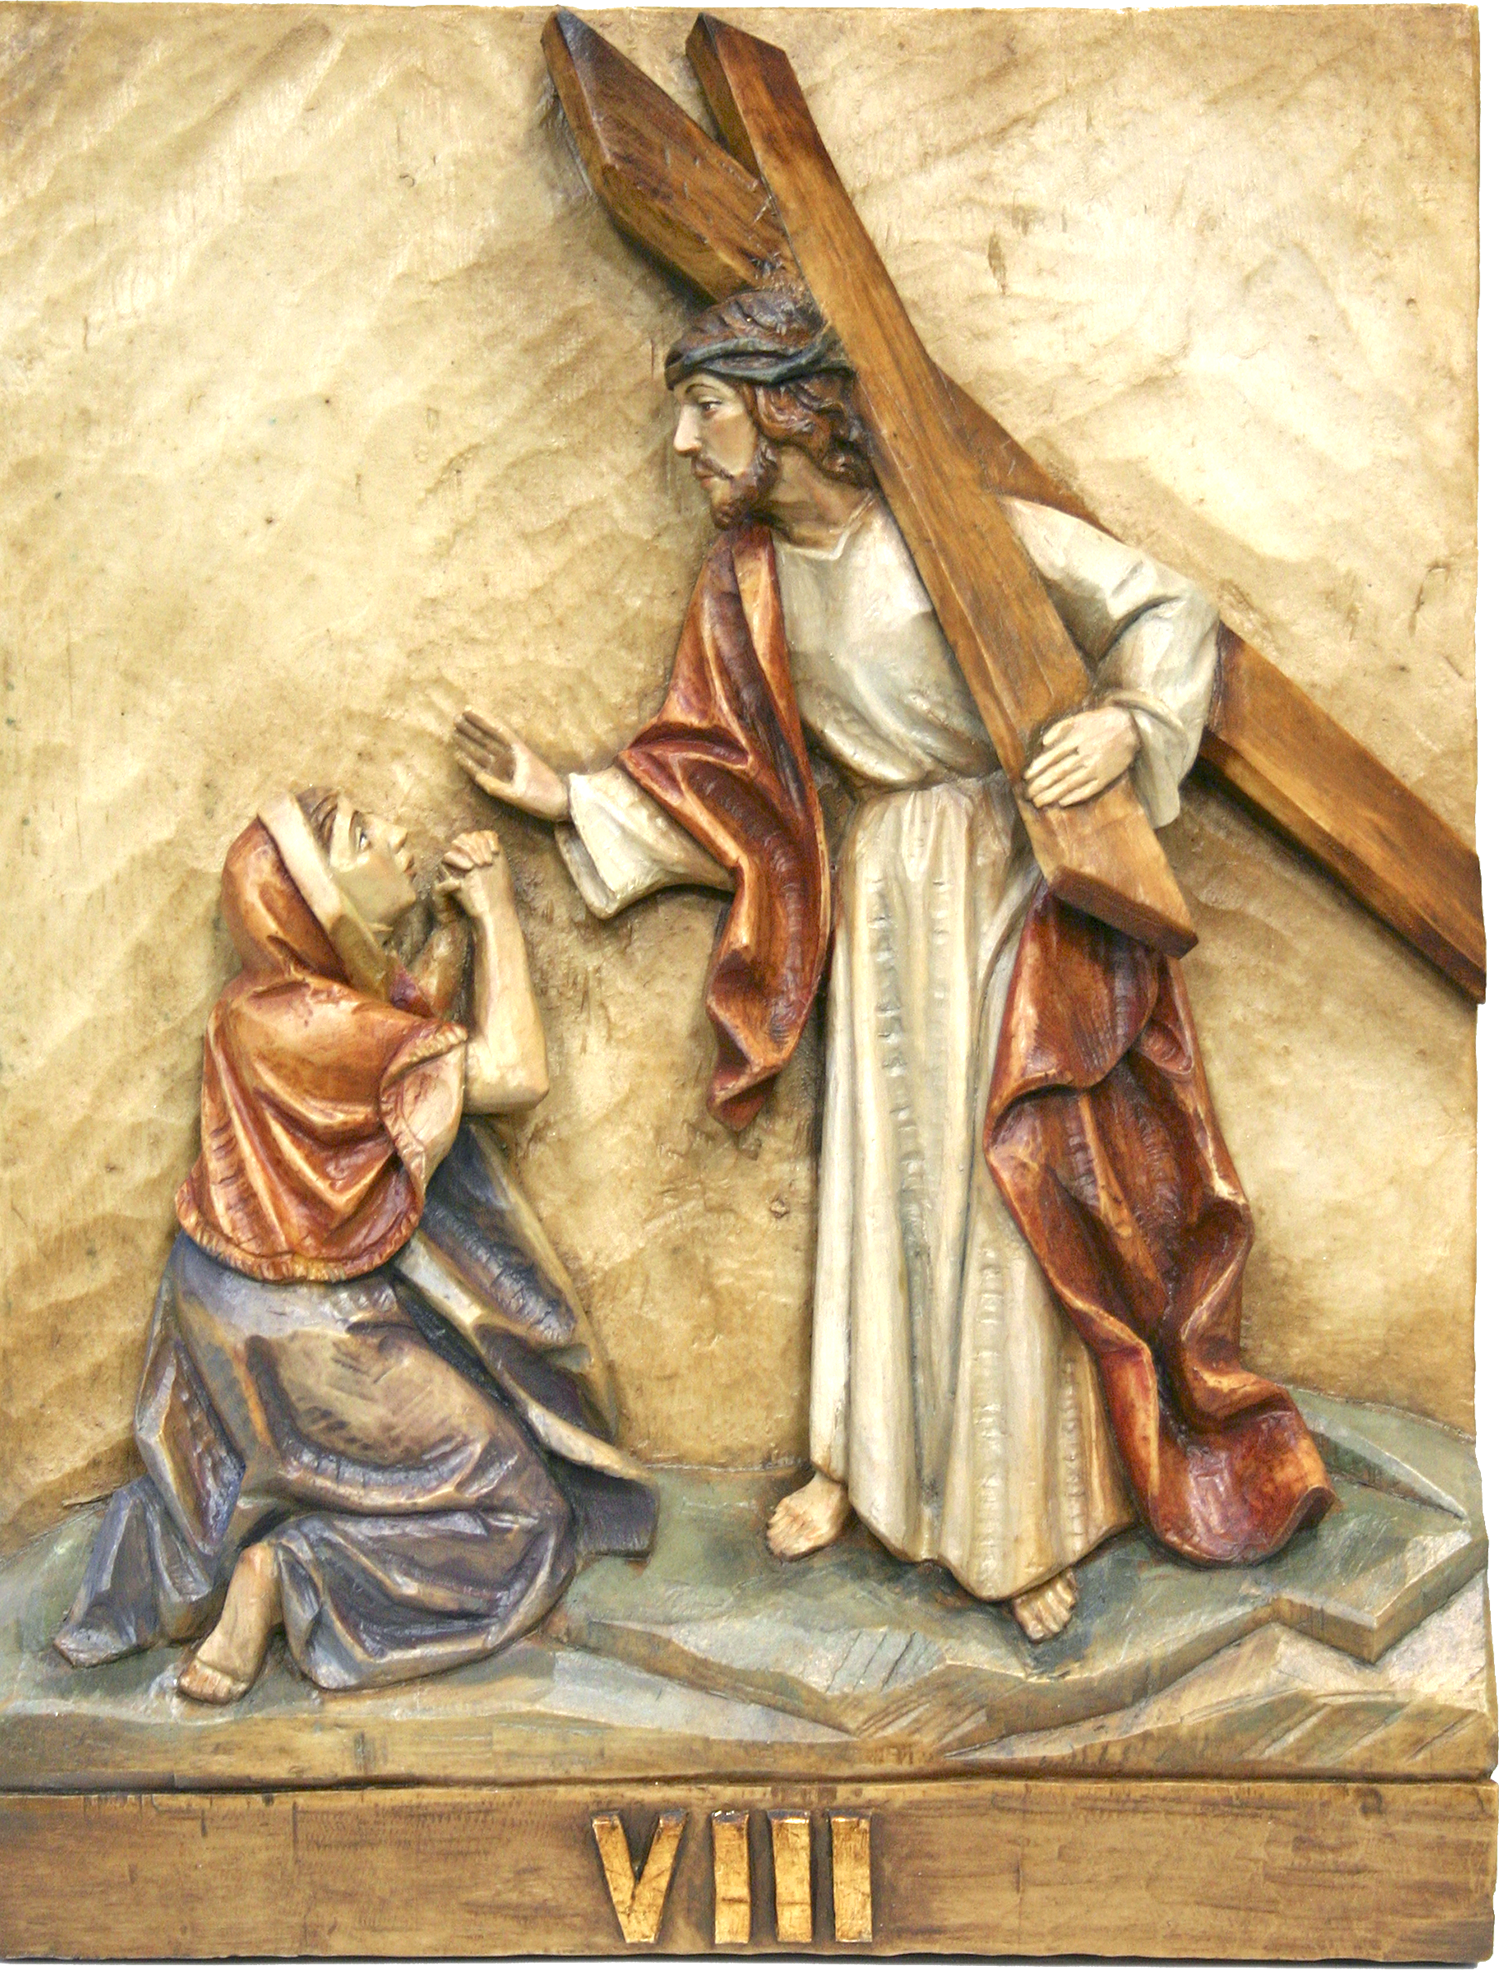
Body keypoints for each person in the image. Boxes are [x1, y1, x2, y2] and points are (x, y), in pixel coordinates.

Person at [454, 282, 1332, 1643]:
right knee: (884, 1184)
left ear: (784, 411)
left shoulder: (943, 525)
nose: (684, 443)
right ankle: (865, 1470)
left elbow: (1164, 608)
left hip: (1007, 883)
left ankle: (1020, 1513)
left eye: (703, 409)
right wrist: (572, 798)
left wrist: (1122, 724)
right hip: (880, 890)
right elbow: (732, 782)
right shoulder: (745, 580)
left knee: (1002, 1183)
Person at [56, 789, 655, 1701]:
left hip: (222, 1305)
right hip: (307, 1336)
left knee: (376, 1463)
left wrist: (448, 942)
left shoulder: (259, 1007)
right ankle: (292, 1575)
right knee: (526, 1515)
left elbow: (398, 1032)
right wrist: (497, 914)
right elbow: (511, 1073)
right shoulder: (314, 1025)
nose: (397, 834)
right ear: (315, 903)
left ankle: (261, 1541)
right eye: (363, 836)